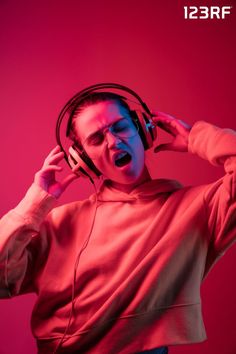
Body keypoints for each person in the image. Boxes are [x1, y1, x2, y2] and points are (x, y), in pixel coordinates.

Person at [0, 86, 235, 354]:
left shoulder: (197, 208)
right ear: (83, 160)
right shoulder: (61, 223)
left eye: (120, 127)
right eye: (97, 139)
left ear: (142, 130)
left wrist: (198, 137)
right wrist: (34, 205)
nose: (113, 142)